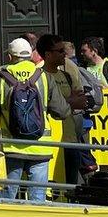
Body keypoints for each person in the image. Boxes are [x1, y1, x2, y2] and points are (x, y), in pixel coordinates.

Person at [0, 38, 76, 201]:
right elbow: (61, 111)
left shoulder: (0, 76)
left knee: (6, 199)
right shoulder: (44, 76)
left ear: (11, 57)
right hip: (40, 147)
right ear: (30, 56)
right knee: (38, 200)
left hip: (11, 148)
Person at [36, 34, 88, 186]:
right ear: (47, 54)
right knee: (52, 189)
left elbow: (79, 99)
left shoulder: (66, 75)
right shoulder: (38, 77)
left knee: (71, 186)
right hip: (50, 142)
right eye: (60, 51)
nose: (64, 54)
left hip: (70, 139)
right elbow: (44, 105)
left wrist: (72, 102)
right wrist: (71, 102)